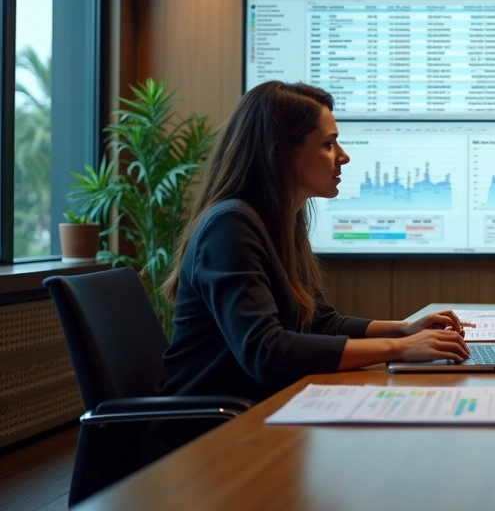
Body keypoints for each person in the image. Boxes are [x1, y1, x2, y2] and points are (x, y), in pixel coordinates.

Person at [160, 82, 470, 403]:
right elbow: (267, 353)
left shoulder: (283, 219)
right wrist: (400, 349)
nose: (344, 156)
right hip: (208, 428)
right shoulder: (230, 225)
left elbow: (320, 323)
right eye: (329, 143)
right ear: (281, 152)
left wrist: (404, 330)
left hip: (263, 408)